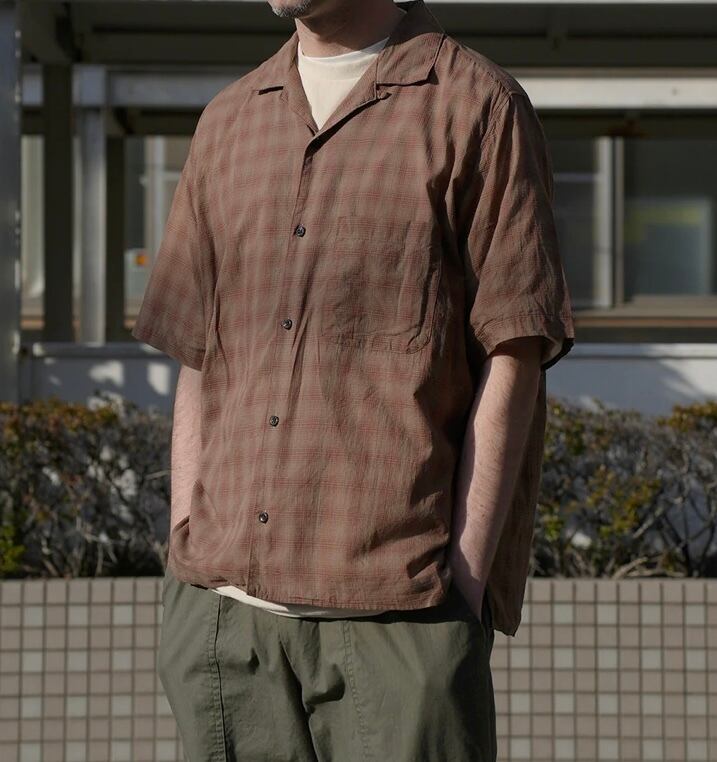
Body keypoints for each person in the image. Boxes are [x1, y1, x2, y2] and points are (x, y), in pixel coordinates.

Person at [131, 0, 575, 759]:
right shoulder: (229, 120)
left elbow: (515, 349)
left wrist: (462, 585)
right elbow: (198, 354)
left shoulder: (477, 105)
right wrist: (186, 542)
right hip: (224, 623)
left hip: (399, 619)